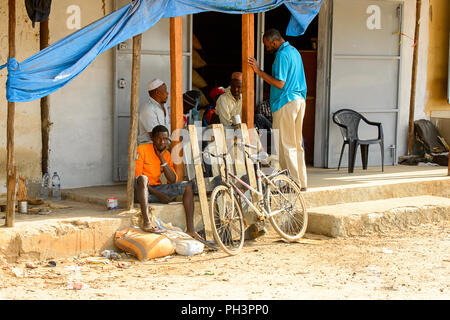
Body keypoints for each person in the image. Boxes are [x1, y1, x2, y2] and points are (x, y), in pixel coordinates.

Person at [248, 28, 308, 191]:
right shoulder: (294, 51)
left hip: (285, 102)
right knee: (296, 143)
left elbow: (280, 83)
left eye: (267, 46)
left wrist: (259, 72)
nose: (267, 49)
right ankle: (301, 182)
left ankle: (292, 183)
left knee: (285, 144)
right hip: (299, 101)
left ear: (274, 42)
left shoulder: (282, 55)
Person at [135, 125, 202, 240]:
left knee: (188, 185)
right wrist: (160, 195)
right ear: (153, 138)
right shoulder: (142, 149)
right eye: (159, 139)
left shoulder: (166, 154)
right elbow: (137, 179)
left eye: (165, 139)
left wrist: (162, 158)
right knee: (143, 179)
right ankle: (147, 222)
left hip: (158, 188)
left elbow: (172, 179)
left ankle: (190, 229)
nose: (162, 142)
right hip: (143, 192)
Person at [138, 79, 170, 145]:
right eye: (165, 90)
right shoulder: (148, 109)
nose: (167, 93)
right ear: (157, 93)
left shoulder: (164, 106)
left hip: (163, 145)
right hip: (150, 148)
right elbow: (155, 136)